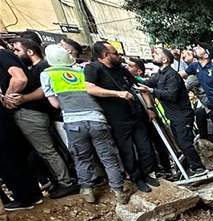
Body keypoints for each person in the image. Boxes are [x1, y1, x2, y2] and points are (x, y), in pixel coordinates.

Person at [41, 44, 129, 204]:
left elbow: (55, 104)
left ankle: (88, 191)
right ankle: (119, 191)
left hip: (73, 122)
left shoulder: (47, 74)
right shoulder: (82, 70)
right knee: (108, 157)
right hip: (97, 118)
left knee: (82, 158)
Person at [9, 38, 79, 199]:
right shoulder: (35, 68)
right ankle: (66, 179)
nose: (14, 54)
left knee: (52, 151)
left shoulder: (44, 69)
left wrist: (22, 99)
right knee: (55, 150)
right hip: (53, 115)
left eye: (17, 50)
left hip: (58, 115)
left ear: (30, 52)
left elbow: (46, 93)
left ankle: (67, 182)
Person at [85, 41, 159, 192]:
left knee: (145, 148)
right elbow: (90, 89)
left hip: (135, 114)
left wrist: (150, 108)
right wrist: (117, 94)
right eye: (115, 53)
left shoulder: (121, 70)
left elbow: (139, 88)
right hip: (117, 119)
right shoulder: (93, 68)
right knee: (128, 151)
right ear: (105, 55)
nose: (119, 56)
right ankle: (136, 178)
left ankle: (146, 174)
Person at [140, 47, 207, 176]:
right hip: (173, 116)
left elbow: (171, 95)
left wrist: (152, 91)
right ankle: (190, 168)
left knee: (185, 143)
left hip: (182, 115)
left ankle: (198, 168)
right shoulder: (159, 75)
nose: (153, 54)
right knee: (181, 144)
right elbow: (147, 82)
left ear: (164, 59)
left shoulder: (171, 75)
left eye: (157, 53)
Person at [0, 41, 43, 210]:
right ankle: (32, 195)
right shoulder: (7, 56)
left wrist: (8, 98)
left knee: (8, 158)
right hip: (15, 116)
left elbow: (20, 78)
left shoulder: (2, 55)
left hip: (17, 113)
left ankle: (25, 198)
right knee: (17, 156)